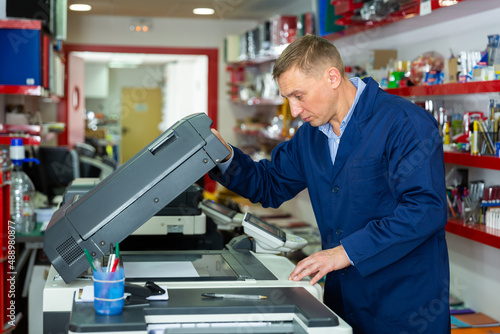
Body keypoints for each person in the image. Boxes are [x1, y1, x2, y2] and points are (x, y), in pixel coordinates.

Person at [211, 34, 450, 334]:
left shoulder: (405, 123)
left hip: (403, 305)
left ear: (333, 77)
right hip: (342, 299)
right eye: (288, 99)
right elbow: (271, 184)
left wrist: (344, 252)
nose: (295, 111)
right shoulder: (311, 136)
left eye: (299, 95)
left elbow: (424, 210)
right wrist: (224, 158)